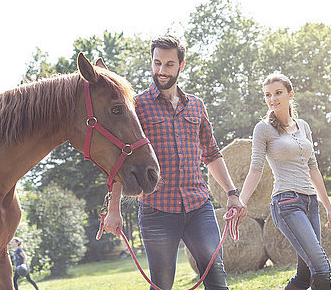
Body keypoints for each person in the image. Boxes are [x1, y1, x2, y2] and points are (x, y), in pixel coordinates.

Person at [103, 34, 246, 290]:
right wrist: (114, 210)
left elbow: (211, 153)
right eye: (157, 63)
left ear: (181, 65)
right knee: (162, 285)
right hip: (157, 210)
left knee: (216, 278)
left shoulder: (196, 106)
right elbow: (120, 159)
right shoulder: (136, 107)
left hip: (198, 206)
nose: (161, 70)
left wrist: (232, 194)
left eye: (169, 64)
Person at [240, 73, 331, 290]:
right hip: (287, 203)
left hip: (311, 202)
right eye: (267, 95)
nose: (272, 99)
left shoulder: (303, 126)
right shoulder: (263, 129)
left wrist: (329, 207)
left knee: (304, 275)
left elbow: (314, 168)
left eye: (278, 93)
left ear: (290, 94)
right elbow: (255, 170)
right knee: (321, 267)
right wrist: (241, 202)